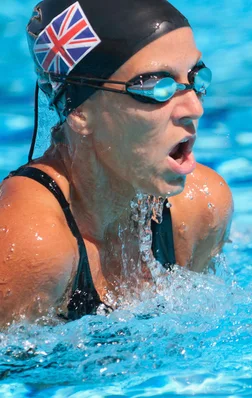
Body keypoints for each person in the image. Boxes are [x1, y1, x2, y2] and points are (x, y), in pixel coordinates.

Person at [0, 0, 233, 324]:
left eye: (195, 78)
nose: (194, 107)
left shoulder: (201, 209)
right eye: (155, 87)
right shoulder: (31, 245)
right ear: (79, 111)